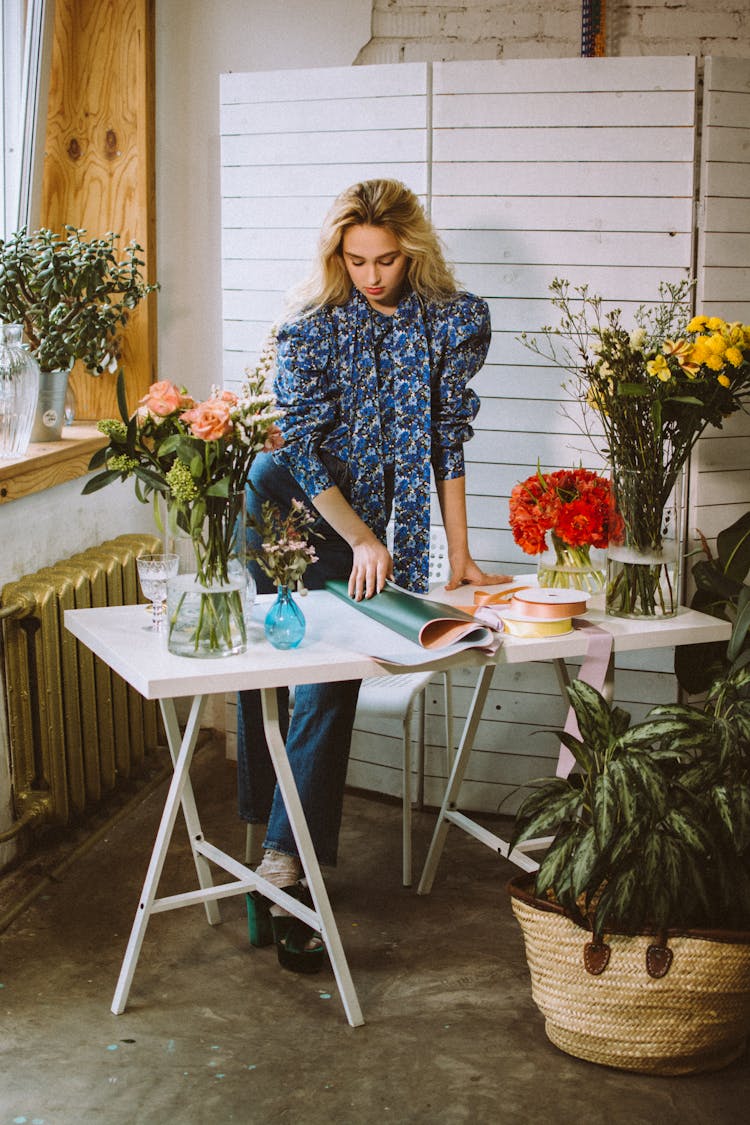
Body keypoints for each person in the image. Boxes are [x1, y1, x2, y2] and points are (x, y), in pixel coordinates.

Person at [237, 178, 509, 971]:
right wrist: (359, 537)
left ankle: (282, 868)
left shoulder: (452, 321)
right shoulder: (312, 329)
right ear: (338, 256)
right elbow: (297, 449)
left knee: (335, 677)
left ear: (412, 251)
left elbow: (446, 439)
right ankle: (284, 861)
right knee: (288, 672)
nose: (371, 275)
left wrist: (459, 554)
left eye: (386, 259)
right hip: (287, 507)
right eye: (355, 261)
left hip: (362, 534)